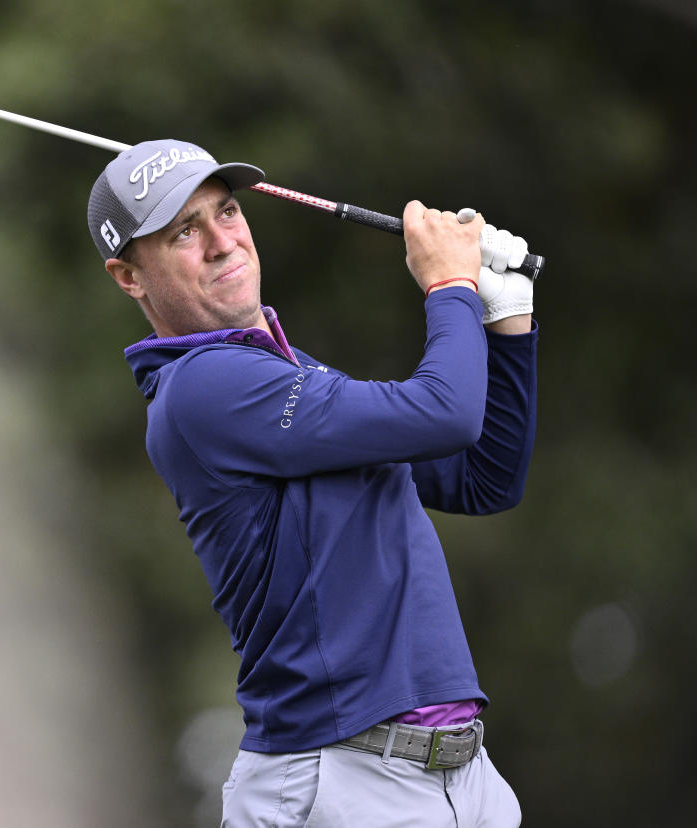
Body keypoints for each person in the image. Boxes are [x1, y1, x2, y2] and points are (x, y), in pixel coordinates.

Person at [87, 140, 537, 827]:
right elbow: (444, 411)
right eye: (184, 231)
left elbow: (484, 478)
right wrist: (450, 287)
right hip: (343, 783)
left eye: (227, 211)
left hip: (461, 780)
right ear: (130, 278)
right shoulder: (202, 390)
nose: (220, 241)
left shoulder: (287, 377)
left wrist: (506, 320)